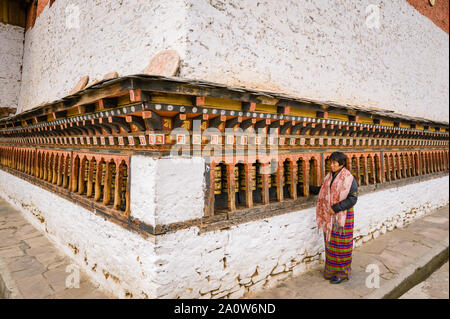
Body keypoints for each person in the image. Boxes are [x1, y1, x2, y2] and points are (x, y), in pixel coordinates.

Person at [309, 152, 358, 284]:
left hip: (343, 216)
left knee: (342, 245)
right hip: (329, 217)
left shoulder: (349, 178)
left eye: (334, 162)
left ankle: (343, 273)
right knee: (331, 244)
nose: (331, 165)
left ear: (342, 164)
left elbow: (353, 198)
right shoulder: (329, 177)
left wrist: (335, 208)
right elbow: (324, 191)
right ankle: (331, 271)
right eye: (330, 162)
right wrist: (307, 188)